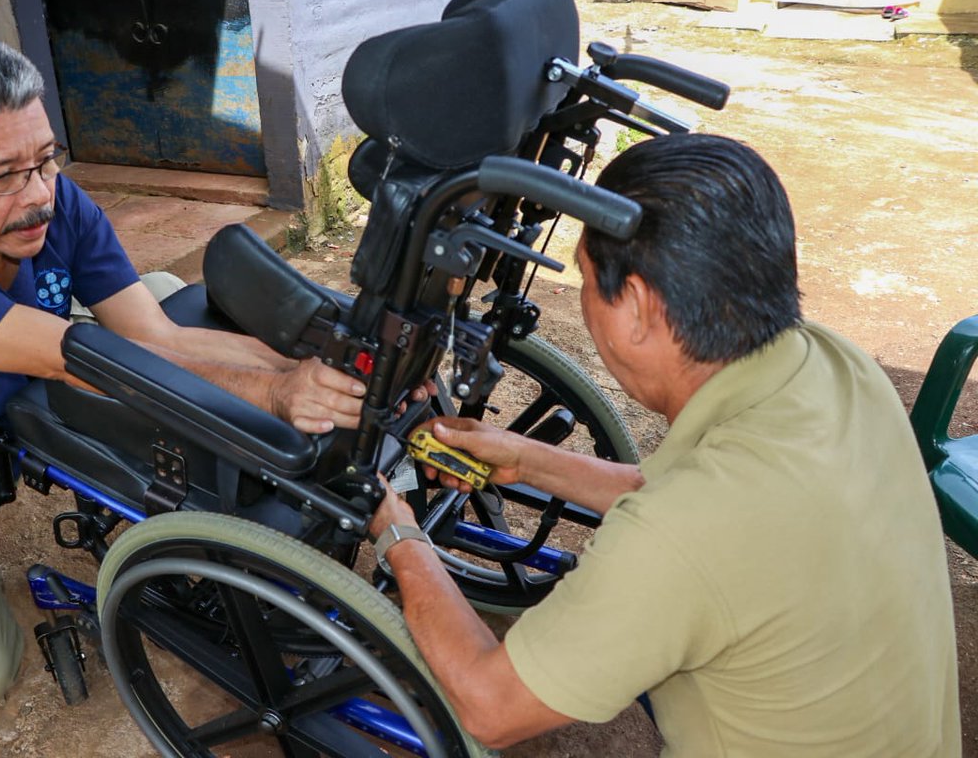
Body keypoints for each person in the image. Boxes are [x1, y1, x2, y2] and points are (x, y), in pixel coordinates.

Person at [0, 34, 375, 718]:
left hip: (17, 405)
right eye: (3, 176)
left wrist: (307, 371)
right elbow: (80, 359)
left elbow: (153, 336)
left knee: (163, 297)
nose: (39, 195)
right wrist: (277, 394)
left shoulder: (53, 203)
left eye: (45, 160)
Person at [370, 133, 961, 755]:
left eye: (587, 280)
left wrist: (400, 536)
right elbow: (701, 509)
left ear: (638, 308)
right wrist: (528, 459)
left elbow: (488, 708)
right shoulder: (835, 366)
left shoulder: (679, 537)